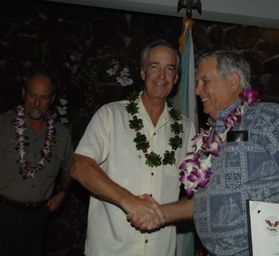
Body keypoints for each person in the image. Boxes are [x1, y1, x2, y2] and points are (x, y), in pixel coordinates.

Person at [132, 50, 279, 256]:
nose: (197, 90)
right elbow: (204, 203)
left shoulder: (268, 117)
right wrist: (159, 213)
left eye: (204, 81)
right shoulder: (209, 139)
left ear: (233, 81)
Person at [70, 39, 196, 256]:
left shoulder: (186, 128)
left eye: (170, 68)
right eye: (154, 66)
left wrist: (162, 214)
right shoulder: (111, 115)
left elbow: (198, 193)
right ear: (143, 72)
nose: (161, 75)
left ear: (176, 78)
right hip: (110, 249)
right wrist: (131, 202)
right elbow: (80, 166)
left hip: (160, 250)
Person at [0, 66, 74, 256]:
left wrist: (63, 193)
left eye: (44, 97)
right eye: (32, 95)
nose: (37, 103)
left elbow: (68, 169)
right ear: (24, 93)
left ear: (52, 99)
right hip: (4, 213)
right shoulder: (3, 124)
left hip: (38, 218)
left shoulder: (62, 134)